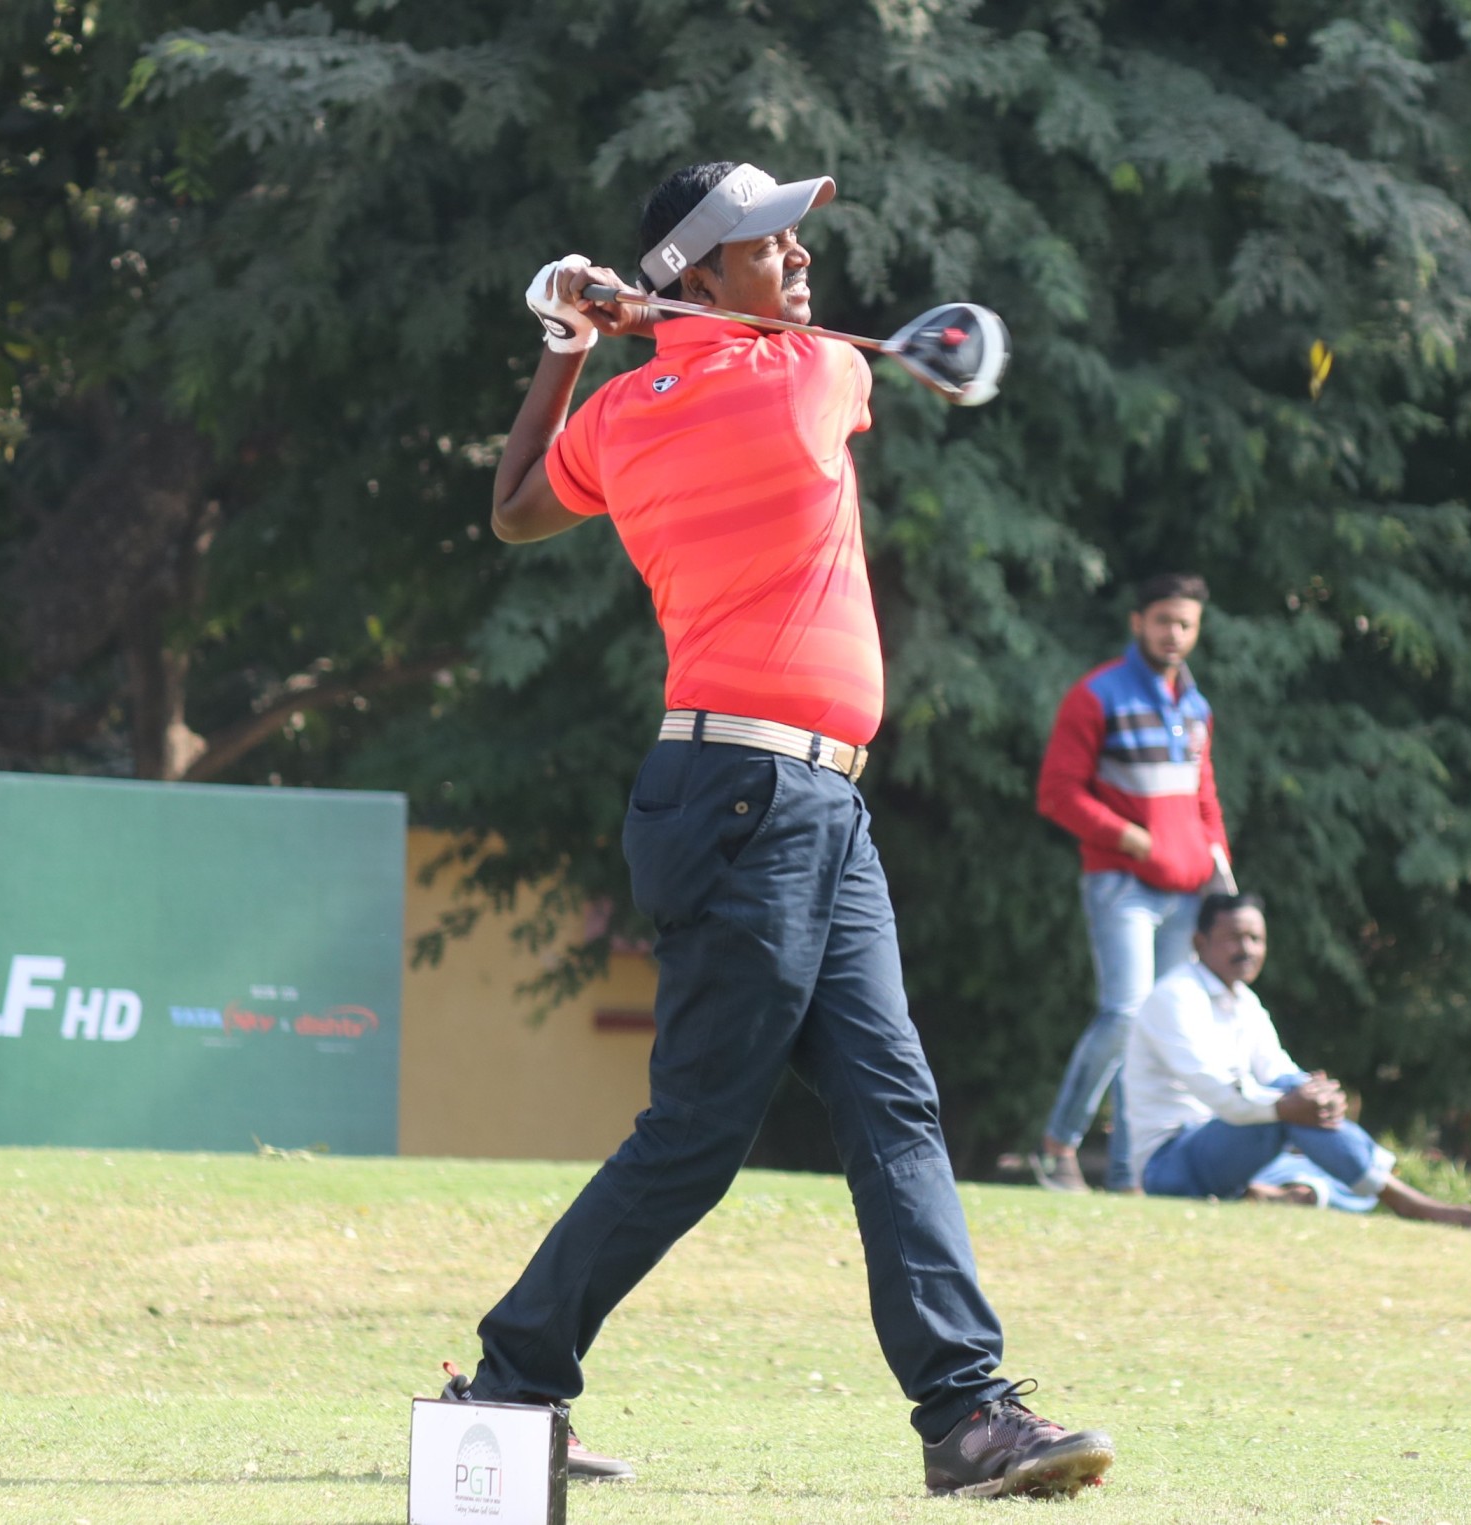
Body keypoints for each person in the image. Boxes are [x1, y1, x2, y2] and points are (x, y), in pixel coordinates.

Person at [449, 160, 1114, 1502]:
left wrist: (570, 342)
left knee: (891, 1102)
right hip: (746, 800)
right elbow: (800, 365)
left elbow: (513, 506)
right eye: (767, 244)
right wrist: (631, 319)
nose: (801, 260)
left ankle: (967, 1415)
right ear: (702, 273)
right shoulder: (810, 376)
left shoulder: (621, 414)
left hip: (804, 803)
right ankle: (511, 1385)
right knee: (699, 1131)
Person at [1030, 572, 1233, 1192]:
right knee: (1123, 1014)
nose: (1175, 633)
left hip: (1188, 893)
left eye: (1186, 624)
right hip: (1122, 885)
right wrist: (1131, 838)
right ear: (1137, 622)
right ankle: (1057, 1148)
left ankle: (1128, 1174)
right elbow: (1057, 793)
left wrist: (1220, 869)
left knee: (1156, 1033)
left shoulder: (1195, 706)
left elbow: (1204, 797)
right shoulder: (1097, 695)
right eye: (1164, 620)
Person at [1122, 892, 1471, 1229]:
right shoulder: (1176, 997)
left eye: (1256, 939)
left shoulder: (1244, 1002)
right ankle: (1403, 1201)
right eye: (1234, 938)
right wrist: (1291, 1104)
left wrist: (1318, 1096)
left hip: (1227, 1146)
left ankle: (1284, 1194)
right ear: (1199, 943)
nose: (1247, 949)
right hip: (1171, 1164)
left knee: (1333, 1172)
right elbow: (1221, 1094)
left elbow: (1278, 1069)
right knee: (1304, 1120)